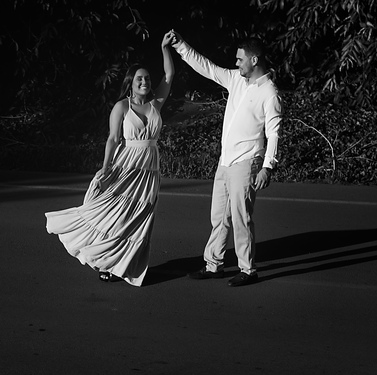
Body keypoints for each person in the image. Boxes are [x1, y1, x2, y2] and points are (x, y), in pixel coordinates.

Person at [45, 34, 175, 286]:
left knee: (140, 216)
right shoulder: (122, 107)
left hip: (149, 170)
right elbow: (113, 139)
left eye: (147, 78)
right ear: (131, 83)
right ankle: (104, 261)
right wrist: (105, 168)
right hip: (125, 166)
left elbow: (169, 76)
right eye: (140, 79)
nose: (145, 82)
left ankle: (124, 263)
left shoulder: (156, 104)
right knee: (116, 214)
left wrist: (164, 48)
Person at [168, 30, 282, 286]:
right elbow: (206, 67)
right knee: (219, 216)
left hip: (247, 162)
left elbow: (273, 133)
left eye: (240, 59)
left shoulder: (270, 93)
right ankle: (214, 264)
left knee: (241, 217)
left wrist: (267, 167)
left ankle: (248, 270)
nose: (236, 63)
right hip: (226, 160)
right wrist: (179, 44)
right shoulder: (235, 79)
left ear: (254, 60)